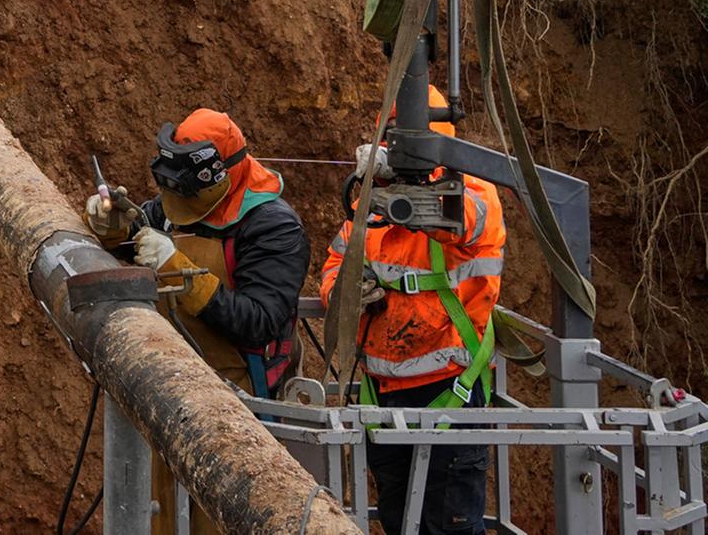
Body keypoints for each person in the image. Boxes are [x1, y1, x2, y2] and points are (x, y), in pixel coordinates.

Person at [320, 87, 505, 535]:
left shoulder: (469, 194)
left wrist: (412, 180)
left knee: (449, 527)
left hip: (449, 394)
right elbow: (333, 266)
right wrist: (345, 294)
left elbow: (466, 220)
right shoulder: (371, 210)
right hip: (383, 395)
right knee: (400, 522)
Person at [88, 109, 308, 398]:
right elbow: (138, 236)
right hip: (172, 370)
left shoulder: (274, 227)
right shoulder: (182, 201)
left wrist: (178, 270)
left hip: (243, 390)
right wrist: (114, 226)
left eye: (186, 194)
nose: (178, 202)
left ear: (218, 177)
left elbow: (259, 322)